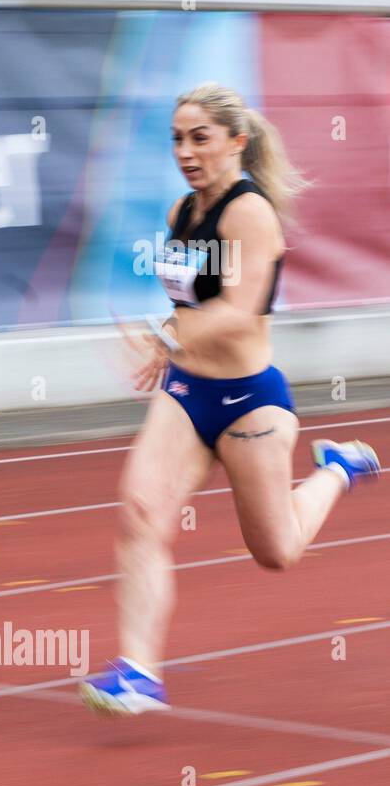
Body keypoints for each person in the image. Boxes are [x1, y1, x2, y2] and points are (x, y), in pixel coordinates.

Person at [81, 82, 380, 715]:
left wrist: (166, 337)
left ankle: (336, 469)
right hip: (188, 394)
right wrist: (168, 349)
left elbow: (240, 311)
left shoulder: (252, 213)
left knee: (276, 551)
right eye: (176, 139)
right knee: (139, 511)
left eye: (200, 138)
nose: (185, 152)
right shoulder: (180, 214)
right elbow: (191, 304)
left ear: (236, 142)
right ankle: (138, 671)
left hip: (250, 402)